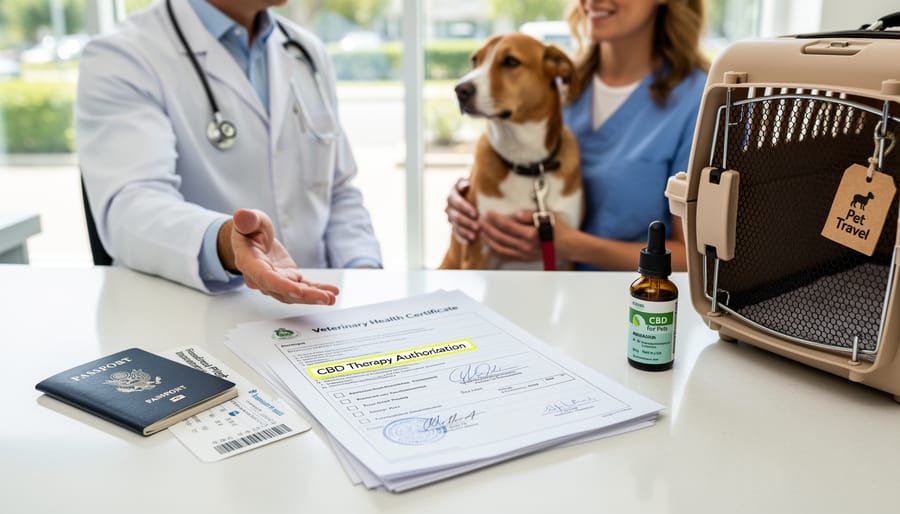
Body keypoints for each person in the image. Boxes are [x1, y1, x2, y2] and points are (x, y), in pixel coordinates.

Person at [76, 0, 381, 305]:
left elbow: (338, 191)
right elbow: (130, 209)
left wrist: (365, 272)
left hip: (319, 317)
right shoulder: (122, 55)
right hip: (191, 320)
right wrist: (226, 243)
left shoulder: (305, 50)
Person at [445, 0, 709, 271]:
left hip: (638, 303)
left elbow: (697, 258)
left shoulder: (701, 102)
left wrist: (571, 246)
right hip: (543, 296)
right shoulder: (555, 86)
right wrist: (468, 200)